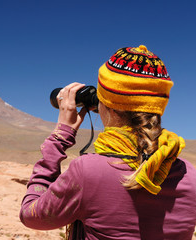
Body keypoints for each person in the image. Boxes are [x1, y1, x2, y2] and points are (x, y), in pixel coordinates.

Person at [19, 45, 196, 239]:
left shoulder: (87, 172)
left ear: (106, 106)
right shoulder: (189, 176)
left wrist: (59, 138)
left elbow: (30, 215)